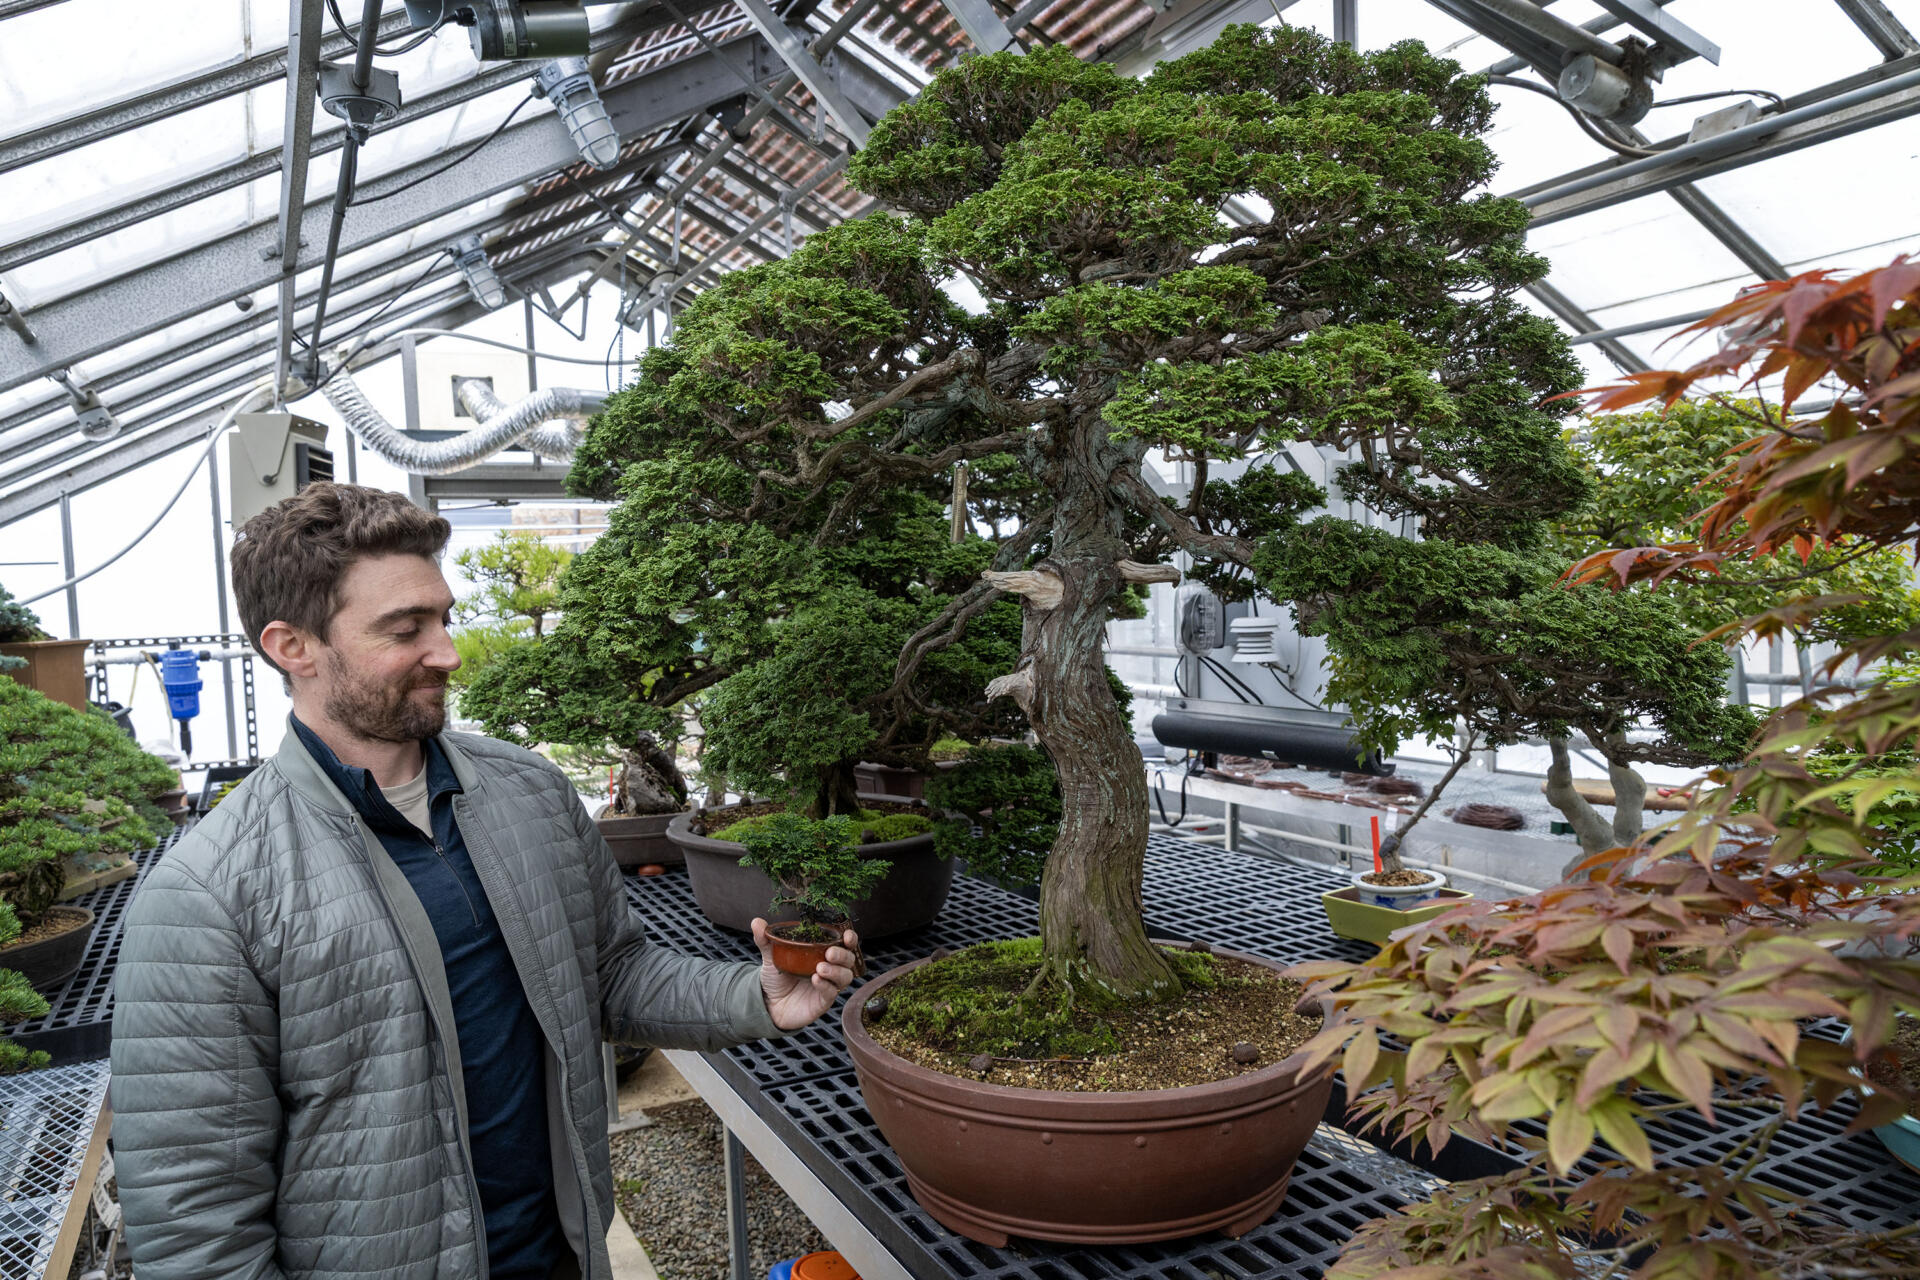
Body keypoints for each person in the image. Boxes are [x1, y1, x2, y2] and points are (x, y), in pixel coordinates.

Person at [109, 482, 860, 1280]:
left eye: (444, 618)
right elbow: (196, 1223)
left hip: (560, 1254)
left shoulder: (528, 792)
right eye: (406, 629)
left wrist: (755, 996)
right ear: (292, 646)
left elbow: (609, 974)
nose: (448, 653)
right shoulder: (209, 894)